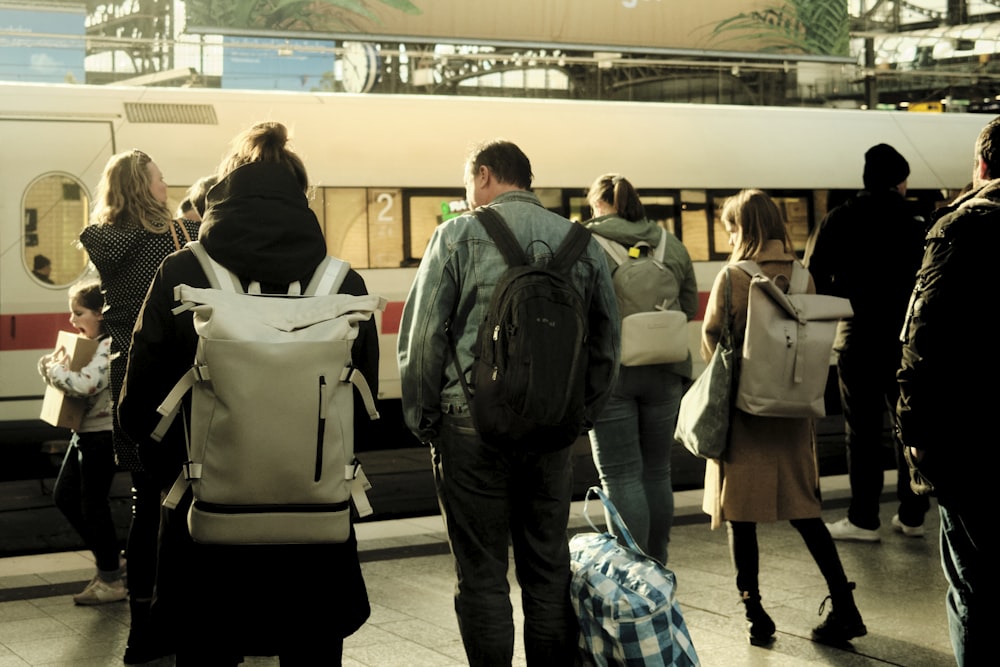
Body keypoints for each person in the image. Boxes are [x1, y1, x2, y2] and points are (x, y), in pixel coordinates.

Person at [119, 121, 376, 665]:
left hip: (205, 531)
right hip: (317, 534)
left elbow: (136, 408)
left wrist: (186, 472)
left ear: (222, 191)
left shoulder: (183, 272)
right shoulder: (341, 282)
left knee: (207, 650)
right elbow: (365, 404)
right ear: (302, 197)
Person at [397, 139, 619, 666]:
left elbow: (423, 335)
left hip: (470, 424)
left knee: (481, 576)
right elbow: (607, 345)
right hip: (551, 430)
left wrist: (425, 417)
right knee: (547, 572)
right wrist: (579, 415)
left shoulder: (456, 235)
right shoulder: (583, 243)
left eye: (467, 182)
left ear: (485, 174)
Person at [702, 189, 866, 646]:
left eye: (732, 227)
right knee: (805, 512)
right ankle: (845, 604)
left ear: (746, 228)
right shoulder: (803, 277)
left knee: (741, 516)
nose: (730, 235)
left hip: (745, 413)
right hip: (793, 414)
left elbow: (712, 341)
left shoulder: (734, 276)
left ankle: (756, 614)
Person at [78, 149, 200, 664]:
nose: (165, 186)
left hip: (131, 380)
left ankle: (140, 632)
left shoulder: (104, 240)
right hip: (175, 377)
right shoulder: (172, 238)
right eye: (158, 179)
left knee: (144, 500)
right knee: (185, 497)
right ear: (142, 186)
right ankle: (182, 619)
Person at [896, 117, 1000, 666]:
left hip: (974, 438)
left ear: (981, 166)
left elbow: (923, 338)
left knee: (974, 585)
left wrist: (915, 432)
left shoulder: (964, 227)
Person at [806, 143, 931, 542]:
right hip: (904, 342)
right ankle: (913, 515)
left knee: (860, 432)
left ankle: (863, 519)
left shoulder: (839, 219)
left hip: (856, 338)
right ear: (899, 181)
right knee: (906, 426)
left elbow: (814, 278)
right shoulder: (915, 223)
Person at [584, 173, 697, 565]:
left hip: (612, 370)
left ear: (599, 205)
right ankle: (659, 560)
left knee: (621, 474)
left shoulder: (587, 242)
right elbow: (690, 306)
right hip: (666, 367)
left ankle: (634, 564)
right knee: (657, 470)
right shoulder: (671, 244)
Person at [38, 280, 125, 605]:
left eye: (79, 313)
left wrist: (52, 369)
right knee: (66, 497)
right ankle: (111, 563)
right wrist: (53, 368)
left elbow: (86, 385)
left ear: (100, 314)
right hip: (86, 434)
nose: (73, 321)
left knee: (93, 504)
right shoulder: (94, 344)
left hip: (102, 437)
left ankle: (111, 578)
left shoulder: (108, 346)